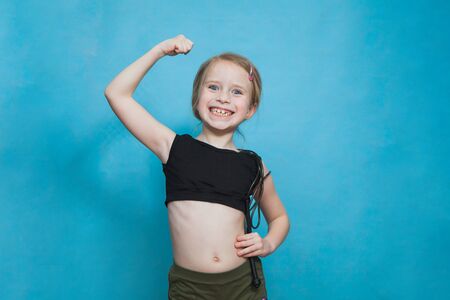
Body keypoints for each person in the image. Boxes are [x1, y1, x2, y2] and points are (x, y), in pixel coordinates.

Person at [104, 34, 290, 300]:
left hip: (242, 286)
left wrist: (268, 242)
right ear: (196, 98)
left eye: (236, 91)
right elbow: (116, 93)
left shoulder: (253, 164)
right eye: (213, 87)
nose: (223, 98)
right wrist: (160, 50)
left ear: (250, 109)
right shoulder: (173, 147)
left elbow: (280, 218)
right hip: (189, 288)